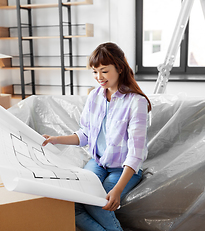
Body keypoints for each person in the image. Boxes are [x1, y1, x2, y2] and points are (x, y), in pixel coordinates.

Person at [42, 42, 152, 231]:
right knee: (74, 202)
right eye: (94, 72)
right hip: (98, 162)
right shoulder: (95, 96)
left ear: (119, 68)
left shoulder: (136, 102)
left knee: (96, 201)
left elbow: (136, 153)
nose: (99, 77)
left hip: (123, 169)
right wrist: (55, 139)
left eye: (104, 71)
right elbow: (85, 134)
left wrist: (117, 189)